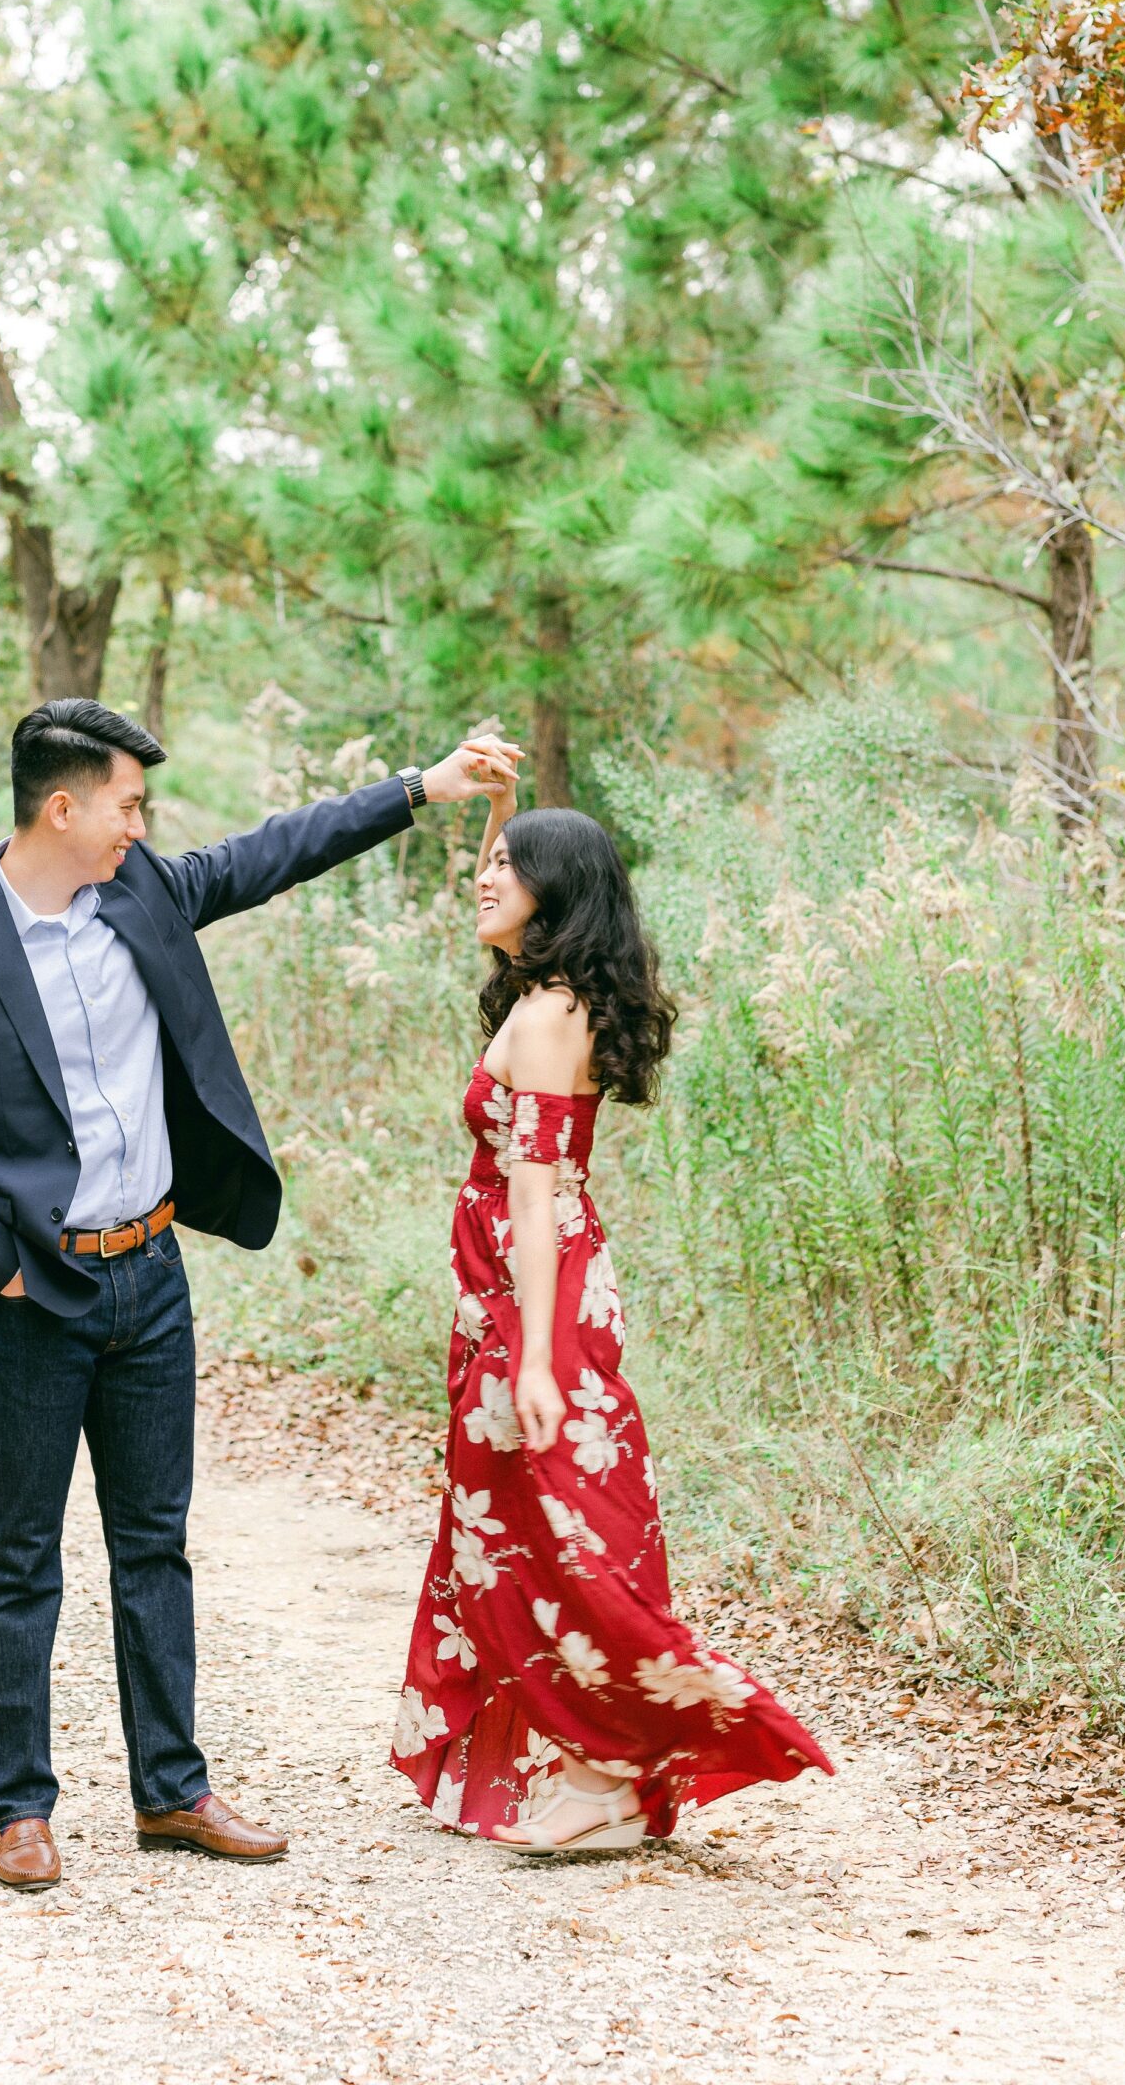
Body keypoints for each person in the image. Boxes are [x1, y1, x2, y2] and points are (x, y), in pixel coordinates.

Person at [0, 696, 518, 1891]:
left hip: (153, 1275)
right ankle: (19, 1808)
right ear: (63, 806)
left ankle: (170, 1789)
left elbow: (273, 852)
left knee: (153, 1545)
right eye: (126, 803)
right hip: (31, 1296)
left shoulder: (142, 892)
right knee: (19, 1552)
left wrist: (421, 787)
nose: (138, 824)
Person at [391, 770, 833, 1852]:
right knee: (510, 1520)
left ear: (554, 894)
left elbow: (535, 1192)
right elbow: (534, 1192)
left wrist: (537, 1355)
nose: (484, 878)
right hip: (508, 1293)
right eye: (491, 861)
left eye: (507, 868)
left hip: (535, 1294)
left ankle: (611, 1773)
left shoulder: (549, 1016)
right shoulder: (542, 995)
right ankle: (582, 1774)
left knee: (562, 1523)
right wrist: (495, 808)